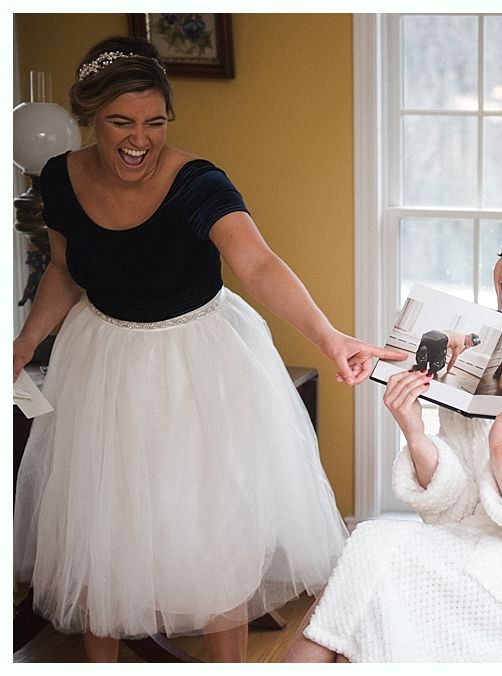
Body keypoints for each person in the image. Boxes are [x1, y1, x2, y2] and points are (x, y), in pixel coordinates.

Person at [11, 36, 404, 663]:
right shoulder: (60, 176)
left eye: (155, 122)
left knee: (213, 533)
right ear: (90, 118)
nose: (140, 139)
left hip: (197, 363)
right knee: (103, 527)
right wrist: (26, 341)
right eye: (121, 122)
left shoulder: (197, 183)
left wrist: (331, 337)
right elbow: (64, 267)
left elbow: (258, 263)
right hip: (102, 359)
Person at [283, 214, 502, 662]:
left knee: (375, 553)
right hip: (474, 548)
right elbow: (454, 506)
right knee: (369, 570)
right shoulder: (480, 359)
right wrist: (413, 428)